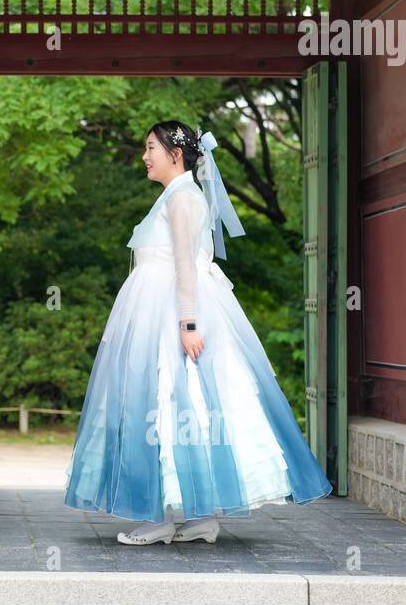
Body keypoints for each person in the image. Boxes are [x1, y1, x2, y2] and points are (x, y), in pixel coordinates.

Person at [63, 121, 332, 545]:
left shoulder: (183, 198)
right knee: (174, 408)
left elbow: (186, 265)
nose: (144, 156)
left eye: (151, 147)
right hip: (155, 309)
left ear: (175, 154)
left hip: (170, 312)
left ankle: (160, 515)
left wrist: (187, 323)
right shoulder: (175, 196)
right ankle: (198, 515)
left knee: (167, 403)